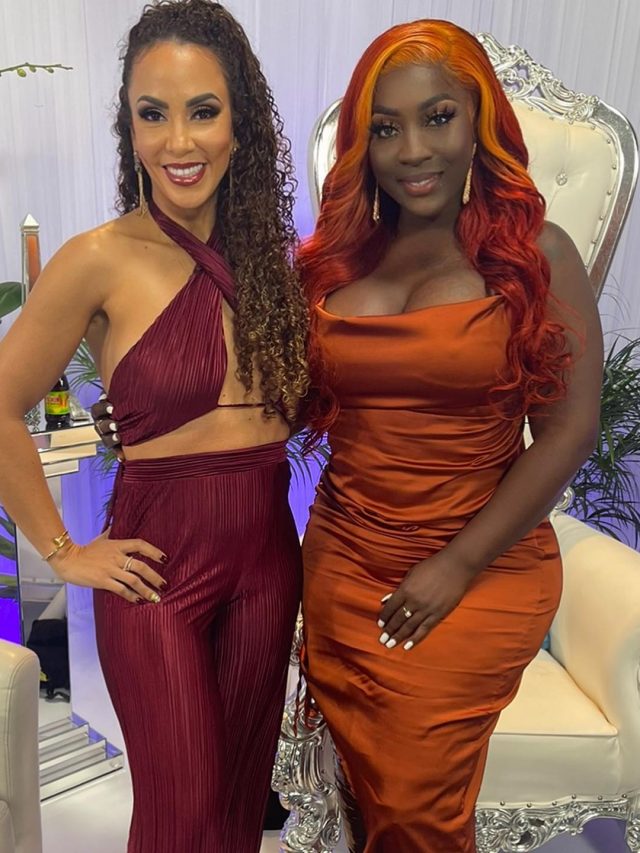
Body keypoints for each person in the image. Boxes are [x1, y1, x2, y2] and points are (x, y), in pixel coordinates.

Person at [0, 1, 309, 851]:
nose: (179, 141)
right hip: (155, 572)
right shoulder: (96, 258)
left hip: (268, 561)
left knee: (237, 815)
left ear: (240, 126)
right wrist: (64, 551)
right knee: (182, 819)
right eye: (152, 113)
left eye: (203, 111)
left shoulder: (273, 263)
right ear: (127, 128)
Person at [296, 19, 603, 853]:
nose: (413, 151)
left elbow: (570, 431)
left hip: (480, 568)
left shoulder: (536, 255)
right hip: (344, 564)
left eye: (438, 118)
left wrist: (456, 564)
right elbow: (273, 401)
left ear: (479, 123)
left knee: (414, 807)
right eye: (385, 128)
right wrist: (143, 408)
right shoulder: (332, 264)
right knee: (373, 802)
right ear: (362, 145)